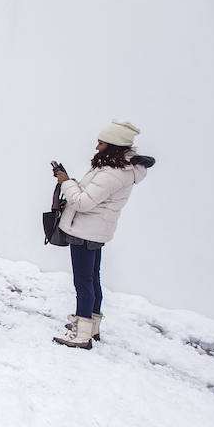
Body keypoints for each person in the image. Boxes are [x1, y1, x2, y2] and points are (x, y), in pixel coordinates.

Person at [53, 120, 154, 349]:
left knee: (83, 281)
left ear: (114, 145)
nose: (97, 146)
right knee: (92, 278)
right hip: (95, 230)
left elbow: (83, 202)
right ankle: (91, 326)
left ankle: (81, 334)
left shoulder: (113, 173)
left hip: (85, 230)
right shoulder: (117, 169)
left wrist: (66, 182)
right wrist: (70, 181)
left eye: (101, 143)